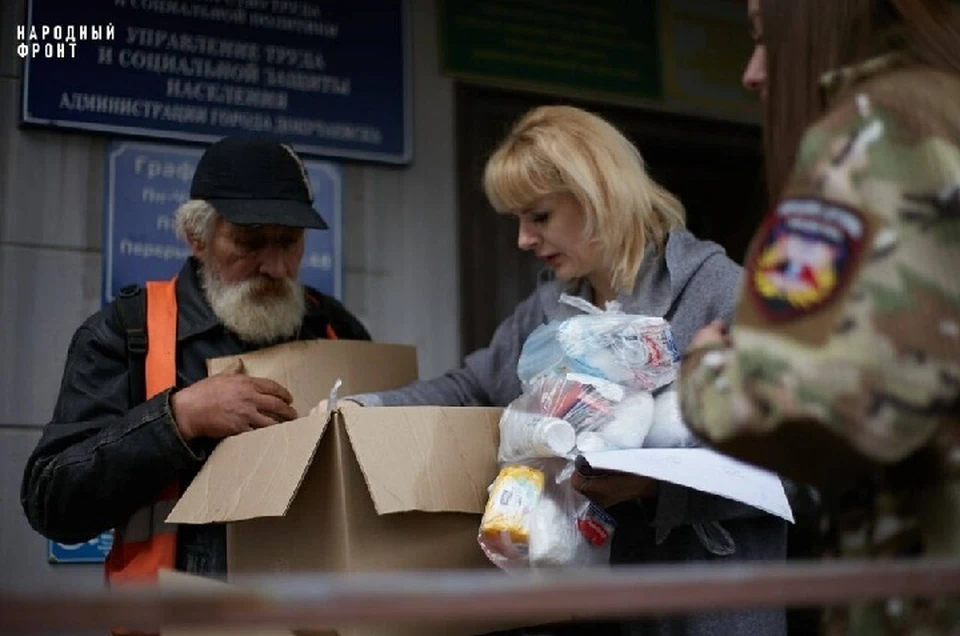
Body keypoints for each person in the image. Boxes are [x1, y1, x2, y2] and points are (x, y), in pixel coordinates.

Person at [319, 105, 788, 636]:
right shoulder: (552, 308)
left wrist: (655, 489)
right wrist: (362, 409)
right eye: (517, 220)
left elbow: (800, 475)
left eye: (538, 217)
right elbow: (471, 387)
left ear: (599, 197)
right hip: (595, 610)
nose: (522, 240)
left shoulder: (723, 294)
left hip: (708, 614)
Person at [680, 0, 960, 632]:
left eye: (764, 37)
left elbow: (805, 407)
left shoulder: (880, 130)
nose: (753, 73)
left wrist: (704, 367)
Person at [21, 136, 371, 583]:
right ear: (197, 238)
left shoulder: (333, 326)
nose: (277, 267)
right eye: (250, 242)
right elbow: (51, 501)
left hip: (317, 613)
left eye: (290, 242)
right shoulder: (129, 333)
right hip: (179, 619)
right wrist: (177, 419)